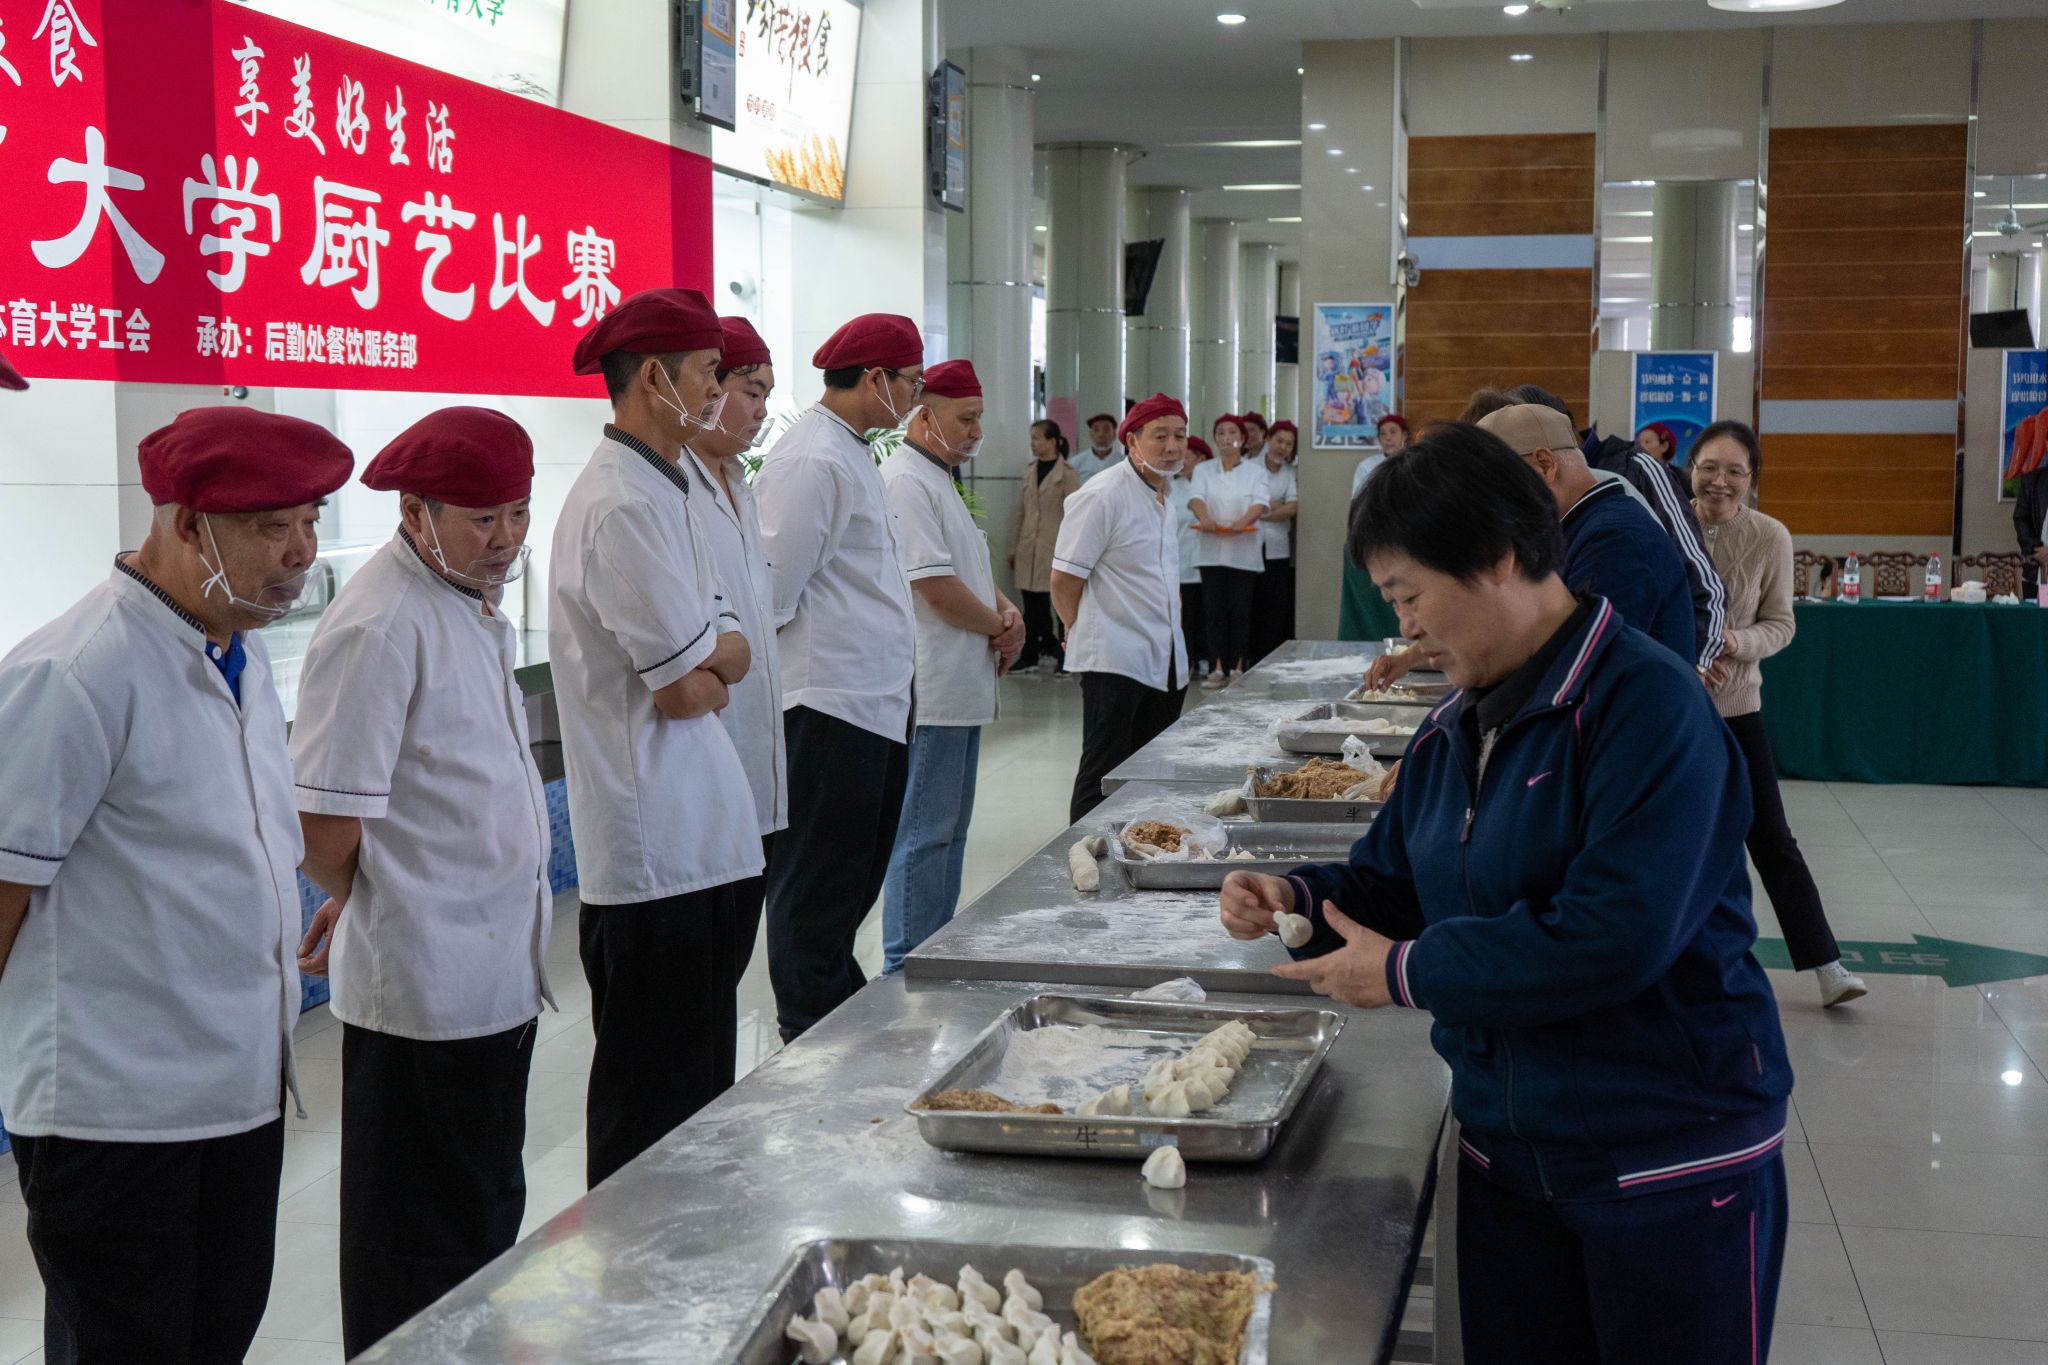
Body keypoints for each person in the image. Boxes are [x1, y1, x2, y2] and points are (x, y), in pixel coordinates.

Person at [1222, 423, 1793, 1364]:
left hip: (1664, 1158)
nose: (1406, 626)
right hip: (1510, 1151)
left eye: (1409, 595)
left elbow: (1612, 935)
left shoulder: (1648, 708)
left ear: (1495, 556)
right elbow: (1390, 883)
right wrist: (1294, 898)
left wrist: (1404, 972)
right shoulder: (1458, 723)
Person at [0, 406, 351, 1363]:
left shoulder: (236, 648)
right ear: (189, 524)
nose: (300, 552)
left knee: (215, 1336)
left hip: (237, 1094)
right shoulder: (76, 674)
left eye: (310, 521)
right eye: (271, 526)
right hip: (115, 1122)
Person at [288, 407, 553, 1355]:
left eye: (518, 513)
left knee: (481, 1218)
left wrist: (367, 882)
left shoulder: (463, 600)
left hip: (489, 978)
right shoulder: (380, 622)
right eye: (482, 518)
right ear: (415, 511)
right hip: (425, 996)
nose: (506, 537)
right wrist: (375, 894)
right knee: (414, 1249)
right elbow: (322, 822)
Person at [554, 287, 762, 1187]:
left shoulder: (667, 484)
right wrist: (710, 666)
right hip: (653, 860)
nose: (719, 390)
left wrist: (712, 664)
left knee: (700, 1101)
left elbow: (735, 645)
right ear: (653, 377)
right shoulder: (620, 505)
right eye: (709, 373)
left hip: (702, 841)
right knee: (650, 1116)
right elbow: (683, 689)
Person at [754, 312, 922, 1041]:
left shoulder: (851, 451)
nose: (915, 398)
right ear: (875, 378)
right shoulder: (811, 459)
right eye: (911, 383)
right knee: (815, 890)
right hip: (828, 708)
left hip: (871, 706)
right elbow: (770, 593)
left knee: (849, 884)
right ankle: (810, 1034)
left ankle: (835, 1021)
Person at [1691, 421, 1867, 1009]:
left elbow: (1781, 624)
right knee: (1674, 836)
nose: (1719, 482)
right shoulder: (1665, 525)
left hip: (1738, 707)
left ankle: (1827, 965)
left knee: (1771, 836)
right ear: (1691, 470)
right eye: (1709, 468)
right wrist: (1684, 656)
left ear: (1752, 479)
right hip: (1672, 708)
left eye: (1734, 471)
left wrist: (1735, 643)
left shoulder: (1770, 536)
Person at [879, 361, 1024, 972]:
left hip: (962, 686)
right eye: (965, 419)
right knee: (922, 834)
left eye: (978, 419)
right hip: (932, 689)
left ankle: (936, 949)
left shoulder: (938, 479)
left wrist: (1006, 611)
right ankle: (905, 963)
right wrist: (998, 626)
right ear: (923, 414)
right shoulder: (905, 481)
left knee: (948, 832)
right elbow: (935, 587)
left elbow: (965, 569)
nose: (975, 432)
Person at [683, 315, 790, 979]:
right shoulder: (673, 490)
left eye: (767, 394)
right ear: (706, 389)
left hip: (757, 764)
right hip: (705, 767)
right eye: (752, 391)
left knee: (730, 961)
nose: (762, 410)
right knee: (700, 974)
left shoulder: (740, 485)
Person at [1514, 386, 1723, 674]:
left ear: (1545, 459)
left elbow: (1700, 578)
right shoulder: (1567, 508)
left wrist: (1696, 668)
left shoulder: (1630, 479)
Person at [1054, 393, 1191, 821]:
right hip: (1114, 659)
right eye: (1160, 436)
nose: (1173, 446)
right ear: (1131, 441)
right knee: (1103, 774)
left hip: (1164, 657)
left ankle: (1137, 852)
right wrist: (1078, 629)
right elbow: (1064, 579)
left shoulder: (1164, 495)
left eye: (1180, 436)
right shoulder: (1102, 494)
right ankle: (1085, 851)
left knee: (1148, 772)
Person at [1189, 413, 1271, 684]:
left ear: (1242, 438)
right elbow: (1196, 498)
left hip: (1243, 550)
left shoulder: (1255, 472)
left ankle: (1238, 665)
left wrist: (1241, 523)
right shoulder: (1203, 469)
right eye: (1221, 433)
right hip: (1210, 550)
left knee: (1240, 610)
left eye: (1232, 433)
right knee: (1213, 610)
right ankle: (1216, 667)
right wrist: (1205, 519)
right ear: (1215, 439)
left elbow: (1260, 502)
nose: (1227, 438)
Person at [1010, 419, 1081, 673]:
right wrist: (1013, 547)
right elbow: (1020, 512)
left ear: (1052, 441)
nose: (1033, 443)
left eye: (1037, 438)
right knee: (1032, 607)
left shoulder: (1068, 474)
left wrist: (1073, 551)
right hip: (1029, 548)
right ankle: (1030, 655)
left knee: (1059, 606)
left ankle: (1066, 657)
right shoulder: (1030, 471)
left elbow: (1075, 515)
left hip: (1055, 548)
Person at [1251, 418, 1300, 661]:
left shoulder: (1289, 474)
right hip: (1250, 547)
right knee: (1252, 605)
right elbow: (1245, 506)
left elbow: (1292, 508)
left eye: (1289, 444)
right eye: (1279, 441)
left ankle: (1270, 657)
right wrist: (1274, 507)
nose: (1283, 447)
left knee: (1275, 607)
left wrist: (1263, 511)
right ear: (1268, 439)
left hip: (1278, 550)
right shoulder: (1249, 468)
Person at [1172, 437, 1215, 677]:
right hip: (1179, 561)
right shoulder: (1171, 487)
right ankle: (1186, 661)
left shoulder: (1211, 486)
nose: (1181, 461)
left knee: (1206, 614)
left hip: (1207, 559)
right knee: (1184, 616)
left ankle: (1206, 658)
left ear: (1201, 459)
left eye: (1186, 456)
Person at [1350, 413, 1409, 500]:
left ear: (1404, 436)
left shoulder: (1414, 463)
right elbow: (1357, 500)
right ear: (1379, 439)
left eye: (1393, 432)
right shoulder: (1367, 466)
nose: (1388, 438)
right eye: (1383, 434)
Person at [2016, 461, 2048, 598]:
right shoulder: (2031, 481)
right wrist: (2038, 551)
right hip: (2036, 570)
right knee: (2035, 611)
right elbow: (2021, 519)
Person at [1070, 412, 1125, 483]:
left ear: (1114, 435)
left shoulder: (1124, 462)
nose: (1101, 434)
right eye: (1096, 430)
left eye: (1106, 430)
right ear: (1091, 434)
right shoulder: (1075, 463)